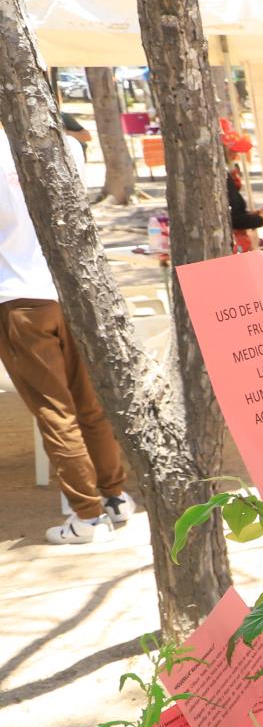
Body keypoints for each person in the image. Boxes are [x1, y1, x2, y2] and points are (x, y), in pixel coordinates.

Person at [0, 128, 132, 545]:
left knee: (55, 412)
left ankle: (88, 518)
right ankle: (114, 497)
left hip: (18, 296)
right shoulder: (66, 144)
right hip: (69, 290)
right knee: (88, 404)